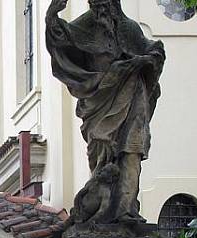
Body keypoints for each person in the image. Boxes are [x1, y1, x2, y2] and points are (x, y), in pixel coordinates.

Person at [45, 0, 165, 224]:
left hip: (132, 97)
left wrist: (150, 57)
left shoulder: (129, 28)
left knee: (132, 148)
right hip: (99, 98)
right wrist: (52, 15)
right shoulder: (85, 25)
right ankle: (102, 206)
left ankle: (125, 210)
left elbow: (151, 50)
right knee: (101, 145)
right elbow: (59, 37)